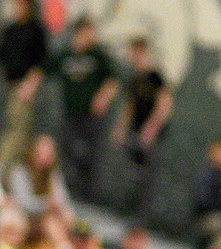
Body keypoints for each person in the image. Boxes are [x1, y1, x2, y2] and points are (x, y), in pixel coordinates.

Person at [44, 17, 119, 202]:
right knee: (65, 147)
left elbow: (113, 80)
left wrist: (103, 97)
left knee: (93, 154)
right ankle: (68, 187)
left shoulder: (97, 56)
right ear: (79, 32)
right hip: (71, 113)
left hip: (92, 116)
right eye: (88, 32)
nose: (91, 36)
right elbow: (44, 69)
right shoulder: (65, 55)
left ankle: (89, 195)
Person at [111, 37, 172, 219]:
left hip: (152, 136)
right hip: (134, 132)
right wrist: (120, 129)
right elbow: (129, 106)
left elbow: (165, 105)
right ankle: (127, 210)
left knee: (147, 176)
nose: (135, 57)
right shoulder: (135, 78)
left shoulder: (156, 77)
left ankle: (141, 216)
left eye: (138, 53)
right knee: (131, 173)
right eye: (133, 53)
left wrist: (150, 129)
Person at [0, 0, 47, 182]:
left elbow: (41, 62)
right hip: (8, 84)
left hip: (24, 85)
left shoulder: (35, 30)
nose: (17, 6)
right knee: (11, 126)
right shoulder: (11, 30)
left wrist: (30, 84)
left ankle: (5, 172)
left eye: (21, 2)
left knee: (19, 130)